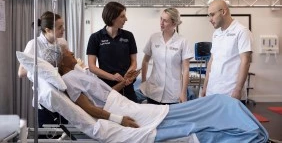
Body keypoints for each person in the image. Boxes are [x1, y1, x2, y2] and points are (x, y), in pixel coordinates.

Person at [44, 45, 268, 143]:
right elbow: (89, 108)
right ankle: (222, 118)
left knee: (180, 111)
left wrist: (125, 83)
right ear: (60, 59)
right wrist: (118, 119)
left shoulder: (76, 73)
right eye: (67, 52)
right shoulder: (69, 80)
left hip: (120, 101)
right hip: (121, 110)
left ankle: (221, 107)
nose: (72, 52)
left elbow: (102, 94)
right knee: (174, 116)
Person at [17, 11, 67, 127]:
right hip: (45, 96)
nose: (63, 30)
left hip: (62, 95)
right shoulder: (34, 44)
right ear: (47, 30)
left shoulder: (62, 42)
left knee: (64, 133)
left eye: (63, 26)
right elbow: (21, 72)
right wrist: (46, 66)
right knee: (47, 134)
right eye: (59, 27)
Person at [201, 0, 253, 102]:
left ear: (223, 12)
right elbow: (212, 61)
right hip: (212, 91)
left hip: (231, 92)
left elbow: (245, 61)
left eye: (212, 15)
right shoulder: (216, 33)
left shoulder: (241, 31)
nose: (210, 19)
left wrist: (238, 90)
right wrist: (205, 86)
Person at [87, 1, 138, 103]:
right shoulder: (95, 38)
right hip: (106, 87)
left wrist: (129, 74)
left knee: (133, 115)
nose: (126, 19)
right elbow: (92, 67)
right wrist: (113, 77)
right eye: (122, 16)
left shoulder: (128, 36)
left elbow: (134, 62)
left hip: (127, 86)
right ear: (112, 18)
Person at [140, 8, 193, 104]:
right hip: (153, 91)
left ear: (174, 23)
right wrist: (143, 82)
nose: (161, 23)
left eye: (165, 20)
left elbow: (186, 69)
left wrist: (183, 92)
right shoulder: (154, 38)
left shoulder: (182, 41)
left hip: (173, 93)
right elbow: (145, 61)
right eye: (161, 19)